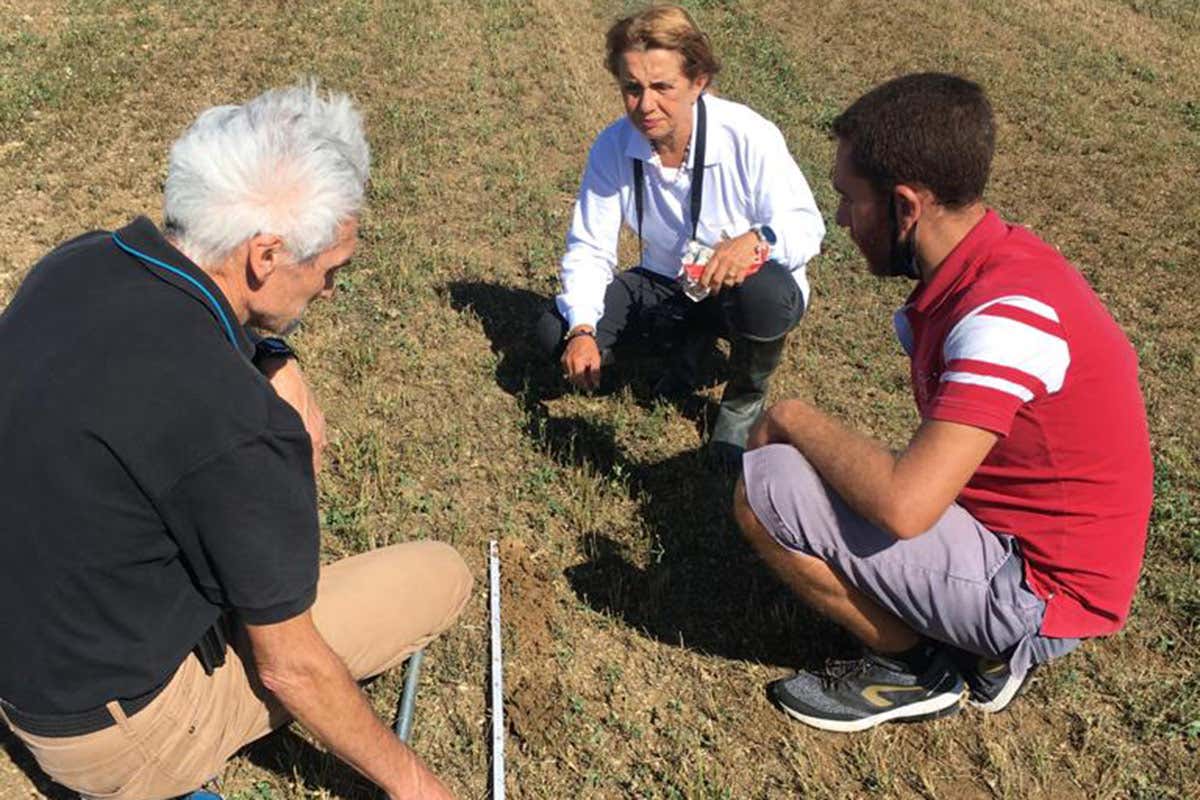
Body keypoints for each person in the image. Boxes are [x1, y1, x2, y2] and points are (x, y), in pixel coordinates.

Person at [0, 84, 472, 799]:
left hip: (27, 654)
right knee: (440, 575)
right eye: (331, 270)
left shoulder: (80, 261)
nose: (330, 290)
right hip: (109, 733)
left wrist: (275, 354)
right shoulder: (240, 425)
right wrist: (415, 784)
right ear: (265, 255)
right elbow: (291, 668)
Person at [733, 73, 1153, 732]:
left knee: (768, 487)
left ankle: (914, 669)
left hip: (1040, 593)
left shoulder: (1002, 319)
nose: (841, 219)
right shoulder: (998, 261)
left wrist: (789, 416)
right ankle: (978, 647)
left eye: (848, 198)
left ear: (905, 206)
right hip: (1033, 555)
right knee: (827, 470)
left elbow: (905, 506)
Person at [535, 5, 825, 465]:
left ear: (698, 82)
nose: (645, 105)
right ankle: (680, 342)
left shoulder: (749, 135)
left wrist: (756, 240)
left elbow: (807, 225)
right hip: (664, 280)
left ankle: (743, 399)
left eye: (662, 87)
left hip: (735, 284)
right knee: (554, 332)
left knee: (765, 293)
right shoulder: (613, 145)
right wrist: (583, 330)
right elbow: (590, 247)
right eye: (632, 88)